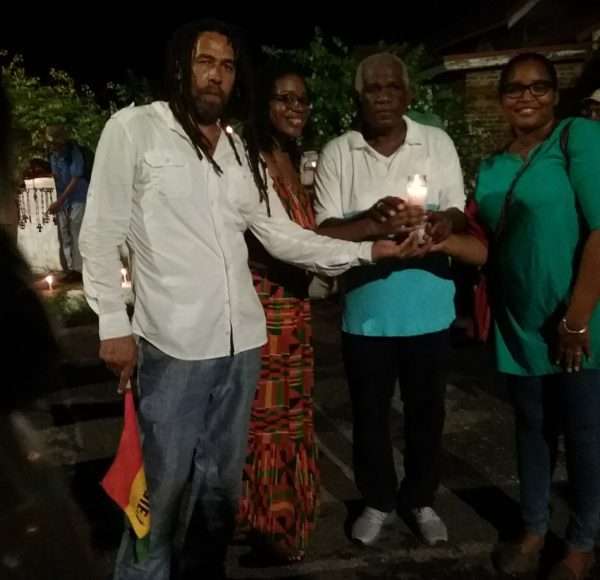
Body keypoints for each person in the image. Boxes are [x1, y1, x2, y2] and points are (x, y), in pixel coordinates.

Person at [79, 21, 423, 580]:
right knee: (161, 487)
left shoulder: (237, 149)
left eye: (227, 65)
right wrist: (112, 326)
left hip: (242, 343)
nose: (217, 75)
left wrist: (367, 250)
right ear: (180, 67)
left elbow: (280, 234)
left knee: (220, 487)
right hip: (173, 344)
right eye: (205, 61)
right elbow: (100, 232)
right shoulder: (136, 129)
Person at [314, 52, 467, 547]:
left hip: (429, 307)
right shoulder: (339, 152)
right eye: (372, 89)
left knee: (427, 413)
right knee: (370, 415)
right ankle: (377, 499)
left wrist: (443, 222)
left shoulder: (435, 142)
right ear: (358, 97)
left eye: (391, 88)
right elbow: (325, 231)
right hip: (367, 313)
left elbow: (458, 209)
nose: (382, 97)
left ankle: (421, 499)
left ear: (407, 94)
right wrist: (372, 221)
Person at [469, 52, 600, 580]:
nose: (526, 97)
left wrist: (577, 318)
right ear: (501, 99)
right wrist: (433, 235)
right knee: (532, 429)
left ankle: (583, 541)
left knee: (585, 433)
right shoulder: (491, 166)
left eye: (538, 87)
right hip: (518, 324)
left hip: (579, 322)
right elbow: (489, 249)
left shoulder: (577, 139)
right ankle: (533, 527)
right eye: (514, 89)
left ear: (555, 94)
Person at [237, 63, 318, 563]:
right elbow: (268, 243)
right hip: (264, 308)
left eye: (301, 100)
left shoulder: (291, 157)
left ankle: (287, 516)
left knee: (293, 416)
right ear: (262, 105)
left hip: (295, 308)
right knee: (267, 421)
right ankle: (269, 524)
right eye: (283, 99)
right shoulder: (252, 161)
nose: (295, 108)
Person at [46, 124, 89, 282]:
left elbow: (75, 179)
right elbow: (57, 179)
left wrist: (59, 201)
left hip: (78, 197)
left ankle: (79, 270)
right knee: (64, 233)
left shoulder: (74, 153)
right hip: (63, 201)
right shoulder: (54, 156)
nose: (52, 145)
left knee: (76, 231)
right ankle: (70, 268)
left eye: (54, 142)